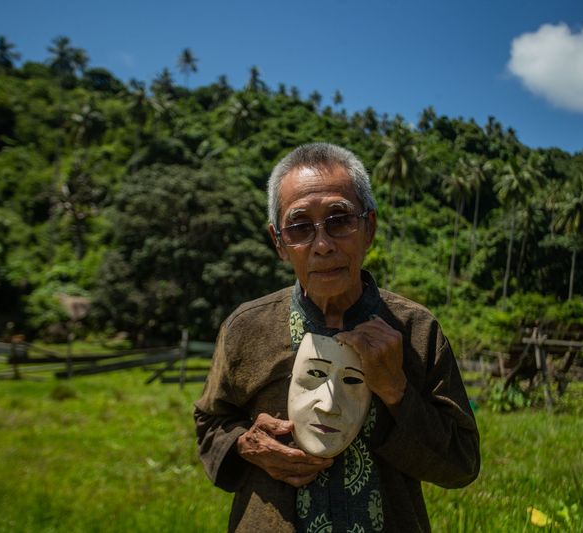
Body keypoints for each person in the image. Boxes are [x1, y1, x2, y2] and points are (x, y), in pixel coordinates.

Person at [194, 142, 480, 532]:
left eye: (339, 220)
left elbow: (461, 465)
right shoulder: (247, 328)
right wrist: (245, 444)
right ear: (279, 242)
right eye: (299, 228)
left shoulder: (416, 331)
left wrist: (396, 390)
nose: (323, 244)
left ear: (369, 228)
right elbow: (210, 421)